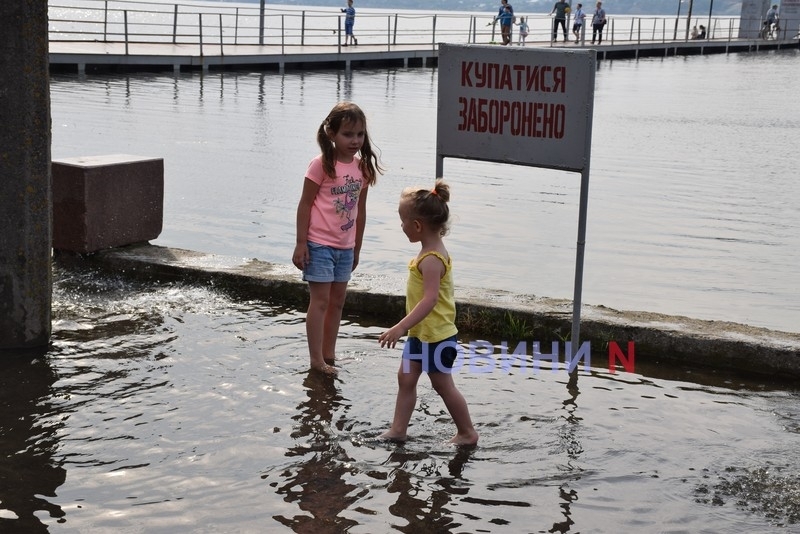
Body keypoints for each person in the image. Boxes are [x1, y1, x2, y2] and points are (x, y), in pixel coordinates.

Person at [378, 180, 479, 446]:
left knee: (442, 385)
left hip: (437, 337)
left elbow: (430, 300)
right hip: (421, 335)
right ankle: (398, 430)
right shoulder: (427, 253)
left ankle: (467, 433)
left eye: (402, 221)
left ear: (417, 226)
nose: (401, 226)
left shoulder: (432, 259)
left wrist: (399, 327)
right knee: (406, 378)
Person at [293, 102, 383, 374]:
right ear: (331, 133)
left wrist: (357, 248)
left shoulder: (363, 169)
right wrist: (300, 243)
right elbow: (305, 204)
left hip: (345, 247)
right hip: (318, 244)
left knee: (338, 302)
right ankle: (316, 360)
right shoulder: (321, 165)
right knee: (319, 301)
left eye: (360, 134)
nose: (355, 140)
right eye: (348, 134)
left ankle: (329, 354)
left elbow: (361, 210)